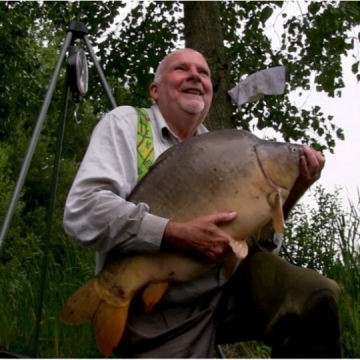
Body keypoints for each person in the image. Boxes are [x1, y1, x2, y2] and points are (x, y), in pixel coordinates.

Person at [63, 48, 342, 358]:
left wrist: (295, 190)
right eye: (181, 69)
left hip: (226, 291)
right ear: (155, 90)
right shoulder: (126, 125)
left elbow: (261, 247)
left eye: (204, 72)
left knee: (316, 296)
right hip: (157, 308)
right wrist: (174, 234)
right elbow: (83, 211)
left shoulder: (226, 148)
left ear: (209, 92)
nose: (195, 75)